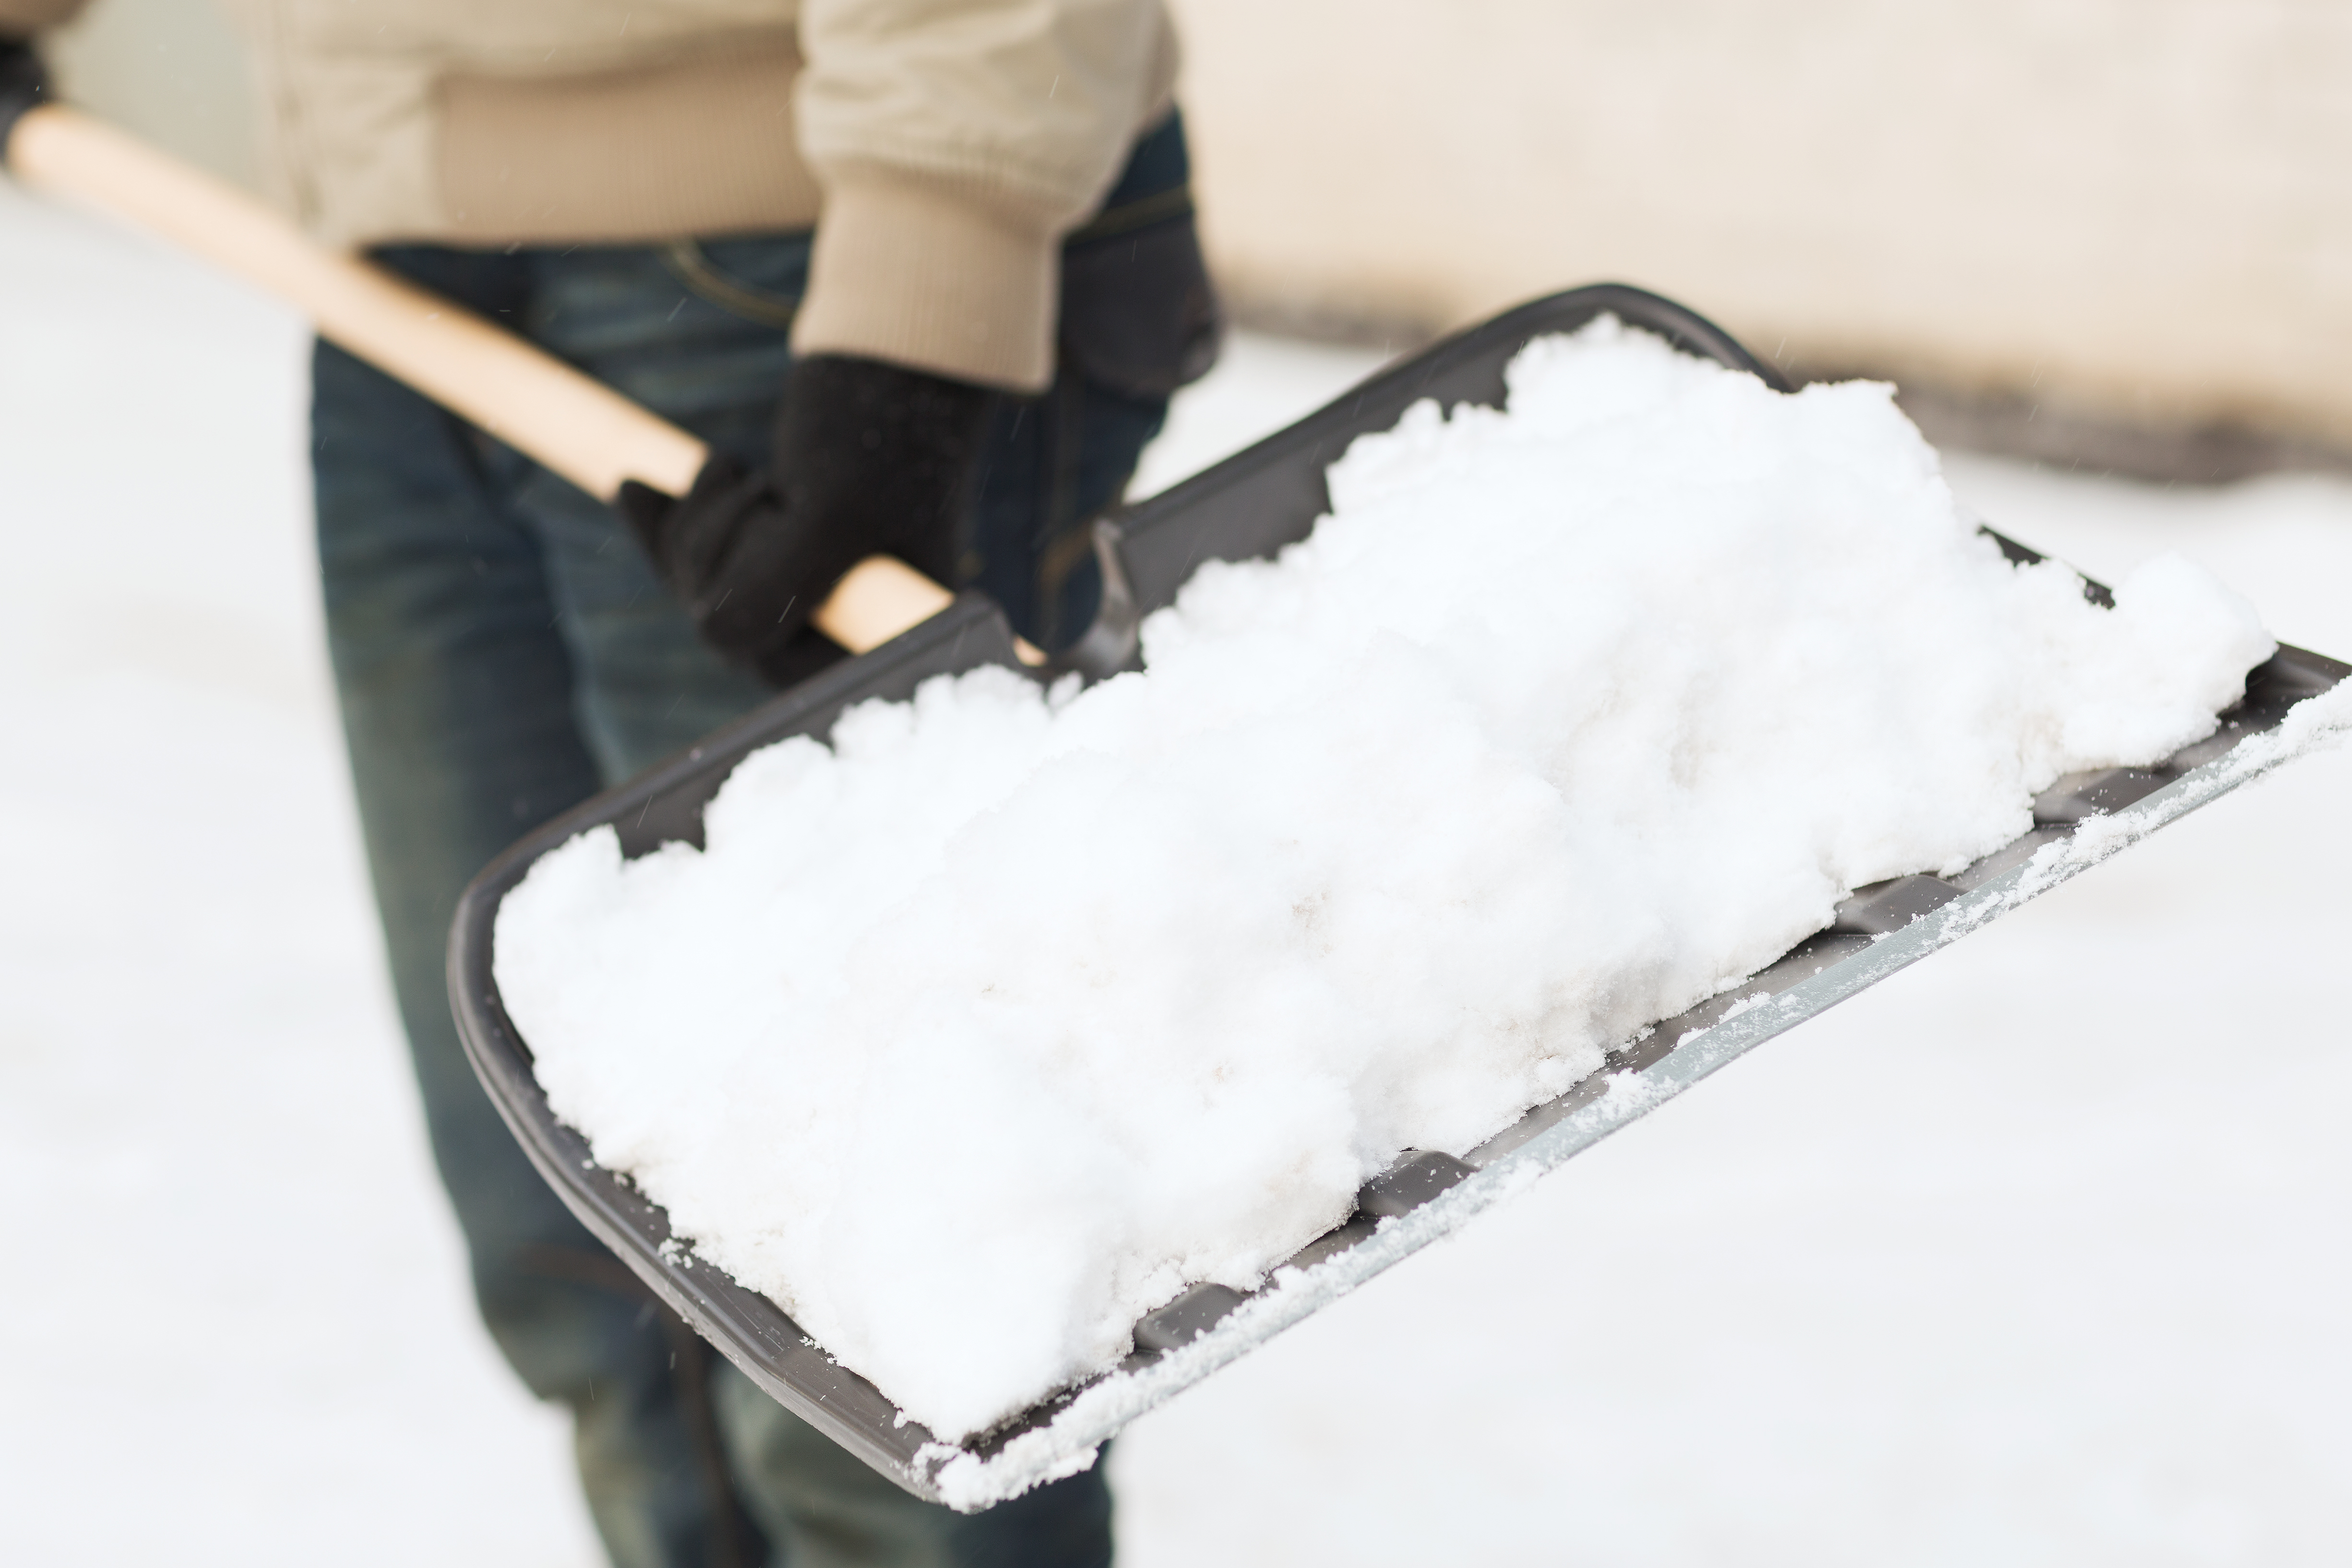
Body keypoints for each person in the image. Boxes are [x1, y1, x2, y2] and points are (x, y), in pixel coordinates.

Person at [1, 5, 1217, 1564]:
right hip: (394, 254)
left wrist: (913, 322)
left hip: (797, 259)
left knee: (866, 1304)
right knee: (580, 1251)